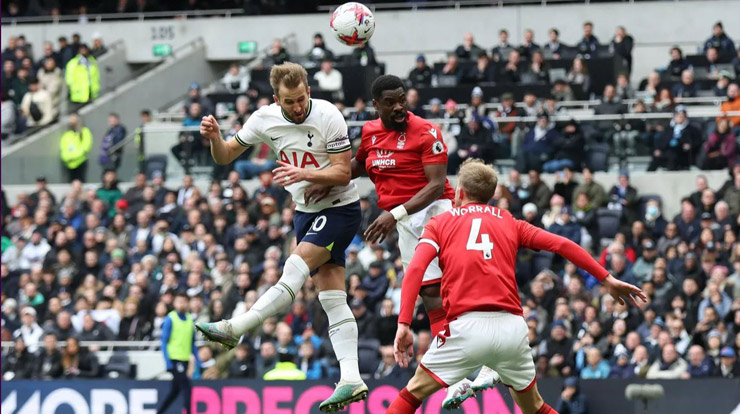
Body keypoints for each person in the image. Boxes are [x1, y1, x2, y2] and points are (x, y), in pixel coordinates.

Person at [389, 159, 645, 414]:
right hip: (511, 329)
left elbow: (416, 269)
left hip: (465, 327)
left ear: (459, 191)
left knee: (411, 394)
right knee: (535, 407)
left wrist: (404, 323)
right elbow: (562, 245)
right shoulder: (509, 221)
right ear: (490, 196)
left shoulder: (440, 223)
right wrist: (607, 278)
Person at [197, 62, 366, 412]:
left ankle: (236, 326)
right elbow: (226, 155)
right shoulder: (263, 119)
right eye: (289, 102)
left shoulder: (328, 115)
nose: (297, 106)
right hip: (305, 213)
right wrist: (215, 138)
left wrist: (306, 174)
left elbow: (344, 172)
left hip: (340, 210)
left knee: (294, 266)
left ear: (308, 91)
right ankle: (351, 378)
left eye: (302, 98)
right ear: (277, 99)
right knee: (332, 299)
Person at [353, 75, 501, 403]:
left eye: (402, 99)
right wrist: (322, 177)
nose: (399, 106)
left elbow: (436, 186)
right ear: (376, 106)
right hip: (405, 222)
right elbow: (359, 165)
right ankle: (457, 378)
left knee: (458, 288)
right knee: (431, 295)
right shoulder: (369, 132)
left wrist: (394, 215)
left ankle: (492, 359)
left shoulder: (427, 131)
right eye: (390, 102)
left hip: (436, 212)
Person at [157, 292, 202, 414]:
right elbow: (164, 342)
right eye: (179, 301)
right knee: (187, 388)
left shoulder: (189, 320)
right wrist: (168, 362)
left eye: (184, 301)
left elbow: (192, 343)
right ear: (175, 303)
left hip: (185, 360)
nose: (182, 304)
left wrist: (198, 360)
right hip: (174, 359)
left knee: (175, 391)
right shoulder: (170, 318)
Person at [648, 106, 702, 171]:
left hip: (683, 153)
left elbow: (697, 142)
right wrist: (658, 149)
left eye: (682, 116)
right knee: (656, 157)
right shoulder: (669, 129)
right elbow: (662, 141)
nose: (680, 117)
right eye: (678, 115)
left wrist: (690, 145)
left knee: (673, 155)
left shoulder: (692, 129)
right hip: (668, 152)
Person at [60, 112, 93, 182]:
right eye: (71, 118)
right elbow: (63, 149)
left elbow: (85, 148)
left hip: (80, 163)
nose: (72, 120)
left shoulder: (84, 131)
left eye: (74, 118)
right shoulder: (67, 134)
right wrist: (67, 158)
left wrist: (73, 157)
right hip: (68, 164)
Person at [65, 44, 99, 111]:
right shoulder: (73, 63)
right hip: (78, 94)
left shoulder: (92, 61)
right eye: (82, 49)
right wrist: (74, 88)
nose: (84, 51)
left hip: (91, 93)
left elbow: (96, 77)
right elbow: (69, 79)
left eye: (85, 49)